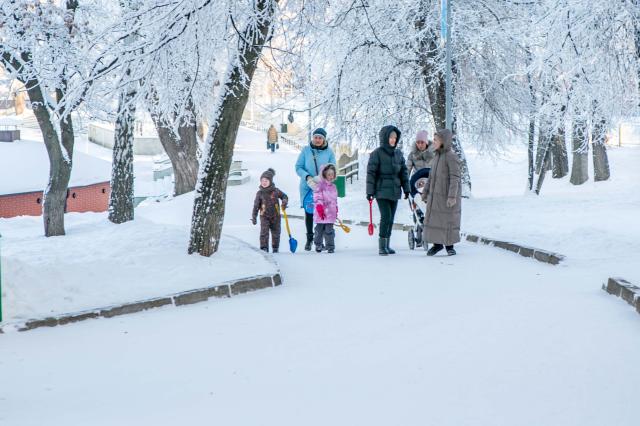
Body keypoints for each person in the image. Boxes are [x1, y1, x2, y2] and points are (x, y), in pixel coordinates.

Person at [366, 125, 410, 256]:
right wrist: (370, 191)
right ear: (385, 138)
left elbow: (404, 172)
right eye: (391, 137)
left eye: (395, 138)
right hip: (381, 190)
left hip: (395, 190)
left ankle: (387, 244)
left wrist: (406, 188)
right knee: (386, 216)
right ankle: (381, 246)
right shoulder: (376, 154)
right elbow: (371, 174)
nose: (393, 140)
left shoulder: (398, 154)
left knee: (391, 219)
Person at [295, 128, 336, 251]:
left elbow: (333, 168)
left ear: (324, 139)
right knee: (309, 213)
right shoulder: (306, 150)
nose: (317, 140)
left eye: (320, 138)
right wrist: (307, 177)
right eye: (315, 137)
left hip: (323, 188)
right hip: (307, 187)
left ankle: (321, 241)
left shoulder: (329, 152)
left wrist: (322, 178)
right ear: (312, 138)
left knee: (323, 213)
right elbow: (298, 167)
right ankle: (309, 239)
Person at [421, 129, 461, 256]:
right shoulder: (436, 157)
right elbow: (431, 177)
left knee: (448, 219)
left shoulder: (451, 157)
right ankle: (437, 245)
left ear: (443, 141)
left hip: (447, 196)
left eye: (436, 140)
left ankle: (450, 246)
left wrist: (452, 196)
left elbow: (455, 178)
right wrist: (425, 192)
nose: (434, 142)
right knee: (435, 220)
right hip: (435, 196)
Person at [251, 168, 288, 253]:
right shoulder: (259, 193)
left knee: (276, 233)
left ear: (270, 181)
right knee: (264, 233)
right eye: (262, 180)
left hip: (276, 216)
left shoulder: (276, 191)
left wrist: (284, 202)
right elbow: (256, 206)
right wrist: (254, 217)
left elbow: (284, 196)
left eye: (266, 180)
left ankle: (275, 248)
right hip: (264, 216)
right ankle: (264, 248)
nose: (264, 182)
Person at [313, 164, 339, 254]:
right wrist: (319, 207)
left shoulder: (334, 187)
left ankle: (330, 246)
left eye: (332, 174)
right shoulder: (320, 186)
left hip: (331, 213)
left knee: (329, 231)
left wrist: (336, 209)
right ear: (324, 175)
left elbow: (335, 200)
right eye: (329, 174)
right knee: (319, 230)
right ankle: (318, 244)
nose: (331, 176)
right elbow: (317, 197)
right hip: (321, 213)